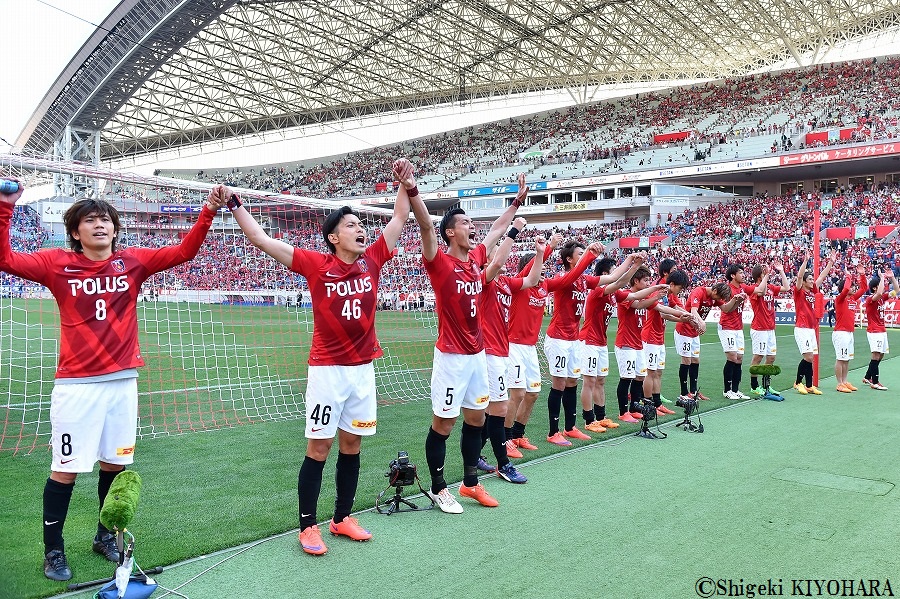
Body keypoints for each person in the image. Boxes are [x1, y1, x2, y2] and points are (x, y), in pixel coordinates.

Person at [0, 178, 225, 581]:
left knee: (115, 466)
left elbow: (185, 251)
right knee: (65, 469)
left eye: (106, 219)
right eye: (90, 220)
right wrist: (5, 206)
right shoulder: (56, 264)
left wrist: (207, 209)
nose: (100, 225)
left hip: (123, 384)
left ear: (115, 228)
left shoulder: (133, 262)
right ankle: (53, 551)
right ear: (75, 231)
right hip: (76, 387)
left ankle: (104, 536)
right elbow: (6, 259)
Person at [228, 166, 410, 555]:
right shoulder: (315, 264)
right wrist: (234, 203)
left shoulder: (373, 259)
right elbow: (259, 237)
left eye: (362, 223)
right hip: (327, 372)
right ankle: (307, 526)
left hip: (363, 371)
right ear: (334, 237)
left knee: (352, 446)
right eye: (351, 224)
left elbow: (399, 217)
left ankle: (342, 518)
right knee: (319, 448)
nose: (361, 229)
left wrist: (402, 183)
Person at [405, 167, 523, 514]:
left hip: (477, 356)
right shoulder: (438, 262)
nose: (474, 228)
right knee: (443, 422)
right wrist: (413, 190)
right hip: (451, 358)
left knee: (476, 419)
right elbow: (426, 226)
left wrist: (516, 203)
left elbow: (499, 229)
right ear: (451, 232)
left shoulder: (475, 260)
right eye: (467, 223)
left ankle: (470, 483)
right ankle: (440, 488)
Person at [479, 226, 545, 483]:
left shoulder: (506, 283)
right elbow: (495, 263)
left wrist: (539, 254)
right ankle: (502, 463)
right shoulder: (484, 279)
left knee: (485, 411)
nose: (503, 258)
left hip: (500, 352)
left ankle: (476, 456)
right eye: (497, 254)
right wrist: (513, 232)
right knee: (496, 408)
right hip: (488, 352)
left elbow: (530, 280)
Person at [542, 239, 608, 445]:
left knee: (572, 382)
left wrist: (631, 264)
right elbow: (573, 275)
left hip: (573, 339)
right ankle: (553, 432)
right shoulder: (564, 276)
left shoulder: (582, 280)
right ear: (569, 259)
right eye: (580, 253)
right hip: (558, 339)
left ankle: (570, 427)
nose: (583, 256)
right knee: (559, 384)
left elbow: (613, 278)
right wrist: (591, 253)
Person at [504, 234, 563, 452]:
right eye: (539, 267)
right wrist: (547, 249)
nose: (542, 273)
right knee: (517, 393)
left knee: (533, 393)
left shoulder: (542, 288)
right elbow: (527, 272)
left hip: (530, 347)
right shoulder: (518, 287)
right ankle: (505, 438)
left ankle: (519, 434)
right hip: (513, 346)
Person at [578, 254, 642, 431]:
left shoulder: (614, 294)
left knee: (600, 381)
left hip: (601, 342)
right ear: (606, 273)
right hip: (589, 341)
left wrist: (655, 290)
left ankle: (601, 416)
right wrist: (633, 265)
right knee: (589, 381)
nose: (617, 274)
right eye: (614, 271)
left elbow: (633, 294)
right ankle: (589, 420)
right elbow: (620, 281)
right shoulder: (598, 290)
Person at [613, 267, 673, 422]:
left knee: (640, 376)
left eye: (648, 280)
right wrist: (655, 294)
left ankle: (633, 407)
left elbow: (660, 308)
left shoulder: (644, 298)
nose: (647, 283)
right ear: (635, 281)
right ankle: (622, 411)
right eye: (645, 280)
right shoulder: (627, 295)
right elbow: (638, 306)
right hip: (625, 342)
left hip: (638, 343)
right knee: (626, 378)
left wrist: (685, 316)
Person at [675, 283, 743, 402]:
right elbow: (694, 311)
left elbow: (726, 309)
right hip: (684, 330)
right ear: (715, 290)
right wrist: (702, 322)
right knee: (686, 360)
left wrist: (735, 300)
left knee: (695, 360)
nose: (718, 300)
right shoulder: (698, 292)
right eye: (719, 297)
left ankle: (694, 391)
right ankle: (684, 393)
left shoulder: (713, 297)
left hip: (695, 332)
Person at [641, 260, 691, 413]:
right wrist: (683, 315)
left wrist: (680, 318)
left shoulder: (666, 294)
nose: (680, 292)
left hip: (659, 337)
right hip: (650, 337)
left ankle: (657, 403)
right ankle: (648, 404)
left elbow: (665, 315)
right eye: (680, 288)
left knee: (658, 372)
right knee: (650, 372)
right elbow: (661, 311)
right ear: (673, 284)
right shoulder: (659, 293)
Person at [792, 252, 836, 395]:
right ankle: (798, 383)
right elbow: (799, 276)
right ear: (804, 282)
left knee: (811, 358)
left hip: (811, 328)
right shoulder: (799, 292)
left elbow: (822, 276)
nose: (812, 281)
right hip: (802, 327)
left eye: (812, 279)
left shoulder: (812, 292)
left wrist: (831, 262)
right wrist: (805, 261)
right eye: (809, 279)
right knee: (808, 357)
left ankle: (809, 385)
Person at [745, 262, 789, 396]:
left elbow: (786, 288)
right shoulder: (754, 288)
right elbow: (761, 291)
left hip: (770, 328)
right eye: (764, 272)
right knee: (758, 356)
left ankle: (766, 385)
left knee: (771, 357)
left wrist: (781, 271)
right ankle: (754, 386)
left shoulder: (770, 287)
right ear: (760, 275)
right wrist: (766, 275)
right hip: (759, 328)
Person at [832, 266, 867, 392]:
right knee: (840, 358)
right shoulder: (840, 299)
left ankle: (845, 381)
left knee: (847, 359)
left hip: (849, 332)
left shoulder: (852, 299)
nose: (853, 288)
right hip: (840, 333)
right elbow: (846, 288)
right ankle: (839, 383)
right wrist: (848, 276)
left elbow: (864, 288)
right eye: (852, 286)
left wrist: (862, 275)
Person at [719, 264, 750, 399]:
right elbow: (726, 309)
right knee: (732, 357)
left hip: (738, 327)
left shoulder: (742, 288)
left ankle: (736, 390)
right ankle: (727, 391)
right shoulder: (726, 289)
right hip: (727, 326)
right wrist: (735, 300)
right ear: (733, 275)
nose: (743, 275)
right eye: (741, 273)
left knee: (739, 359)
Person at [863, 269, 896, 391]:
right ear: (875, 288)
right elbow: (880, 292)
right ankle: (875, 382)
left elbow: (897, 290)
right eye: (880, 286)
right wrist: (882, 277)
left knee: (881, 355)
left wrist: (892, 278)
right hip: (874, 330)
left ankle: (867, 377)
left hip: (881, 330)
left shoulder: (883, 298)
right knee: (876, 355)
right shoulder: (870, 300)